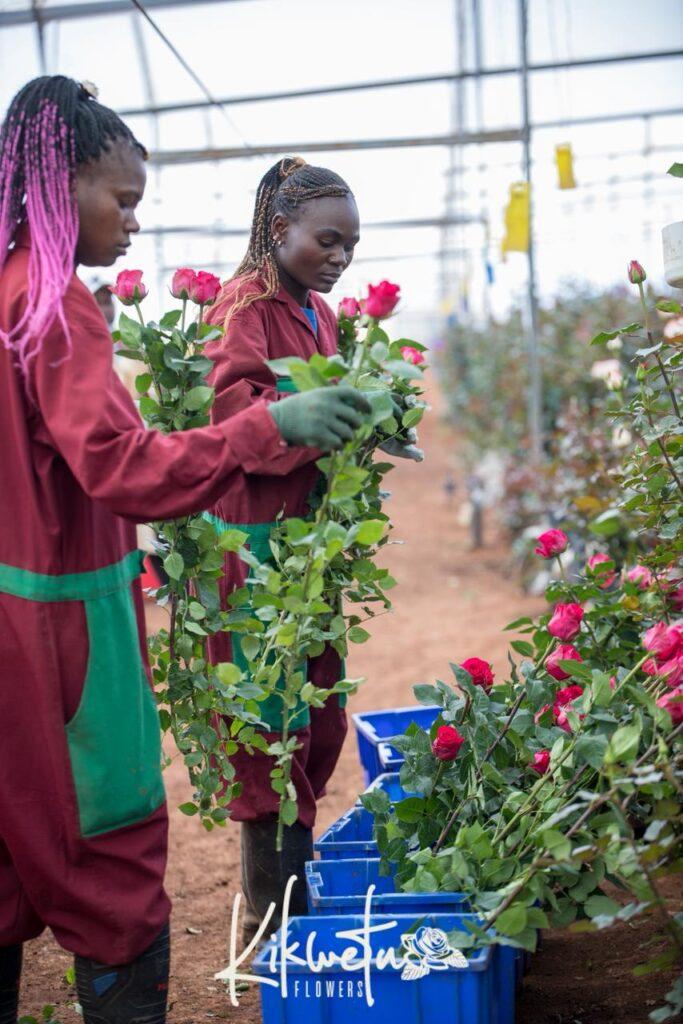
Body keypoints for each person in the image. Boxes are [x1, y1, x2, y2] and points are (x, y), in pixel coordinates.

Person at [0, 78, 371, 1024]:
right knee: (112, 854)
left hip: (21, 603)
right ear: (58, 184)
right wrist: (267, 426)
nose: (133, 223)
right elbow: (120, 466)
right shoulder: (51, 304)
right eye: (122, 200)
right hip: (62, 619)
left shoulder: (12, 293)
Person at [203, 157, 418, 943]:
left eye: (350, 246)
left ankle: (290, 901)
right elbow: (232, 412)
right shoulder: (242, 306)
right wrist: (311, 409)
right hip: (256, 536)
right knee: (268, 716)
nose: (339, 257)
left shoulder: (316, 311)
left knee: (317, 706)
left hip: (309, 537)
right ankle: (272, 921)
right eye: (327, 240)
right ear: (278, 228)